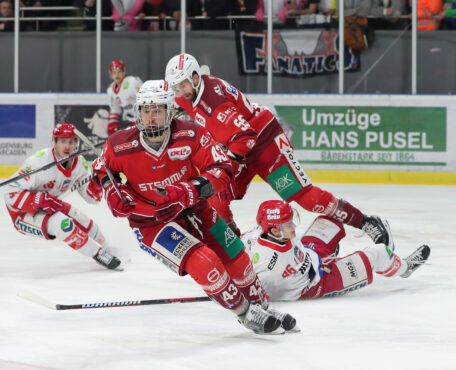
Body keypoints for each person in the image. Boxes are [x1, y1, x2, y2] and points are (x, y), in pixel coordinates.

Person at [93, 79, 297, 334]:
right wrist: (112, 190)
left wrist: (191, 189)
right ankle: (245, 312)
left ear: (169, 111)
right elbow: (101, 168)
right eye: (146, 111)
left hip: (195, 210)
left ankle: (262, 306)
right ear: (138, 113)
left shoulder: (190, 134)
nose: (151, 118)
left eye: (157, 110)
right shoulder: (120, 144)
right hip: (151, 224)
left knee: (237, 257)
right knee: (205, 262)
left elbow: (222, 168)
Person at [164, 53, 394, 250]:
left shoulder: (213, 102)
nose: (179, 92)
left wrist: (225, 168)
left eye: (182, 85)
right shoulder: (189, 93)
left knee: (306, 198)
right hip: (238, 147)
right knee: (215, 196)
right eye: (176, 87)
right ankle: (238, 252)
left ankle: (366, 222)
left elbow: (245, 136)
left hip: (265, 144)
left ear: (195, 78)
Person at [241, 200, 431, 300]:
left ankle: (388, 257)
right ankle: (405, 267)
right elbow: (268, 297)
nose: (294, 226)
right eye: (288, 223)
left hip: (310, 254)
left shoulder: (257, 233)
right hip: (320, 282)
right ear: (274, 230)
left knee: (329, 219)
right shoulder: (271, 272)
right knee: (378, 254)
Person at [4, 123, 121, 270]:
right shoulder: (38, 162)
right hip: (22, 213)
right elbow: (9, 192)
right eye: (62, 141)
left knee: (82, 219)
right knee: (62, 223)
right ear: (55, 142)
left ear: (76, 144)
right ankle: (98, 254)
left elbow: (93, 199)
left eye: (71, 142)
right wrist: (36, 199)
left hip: (49, 204)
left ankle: (107, 248)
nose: (67, 146)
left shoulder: (80, 165)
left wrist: (97, 183)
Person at [106, 60, 143, 136]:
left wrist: (142, 118)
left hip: (142, 121)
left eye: (119, 71)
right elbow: (115, 108)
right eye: (114, 72)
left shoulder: (132, 82)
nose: (117, 75)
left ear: (123, 72)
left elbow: (144, 99)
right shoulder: (110, 90)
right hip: (129, 121)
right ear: (111, 74)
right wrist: (112, 123)